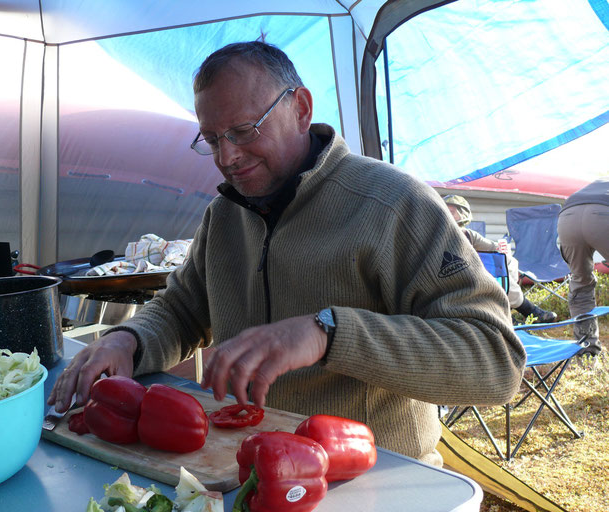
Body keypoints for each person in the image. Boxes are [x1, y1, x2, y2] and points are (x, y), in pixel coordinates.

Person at [49, 41, 525, 466]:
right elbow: (181, 310)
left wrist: (328, 334)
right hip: (246, 465)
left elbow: (495, 361)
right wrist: (127, 340)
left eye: (243, 131)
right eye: (212, 139)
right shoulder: (225, 215)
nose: (227, 158)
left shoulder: (394, 204)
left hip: (370, 479)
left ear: (299, 107)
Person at [443, 195, 557, 324]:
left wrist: (503, 250)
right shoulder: (439, 234)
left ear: (462, 214)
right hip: (451, 279)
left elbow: (495, 248)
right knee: (498, 278)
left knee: (509, 262)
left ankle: (509, 310)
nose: (448, 214)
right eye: (445, 210)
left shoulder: (468, 234)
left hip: (472, 276)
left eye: (452, 212)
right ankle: (527, 312)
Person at [557, 178, 609, 355]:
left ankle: (587, 351)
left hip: (567, 217)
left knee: (581, 282)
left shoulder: (598, 183)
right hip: (603, 214)